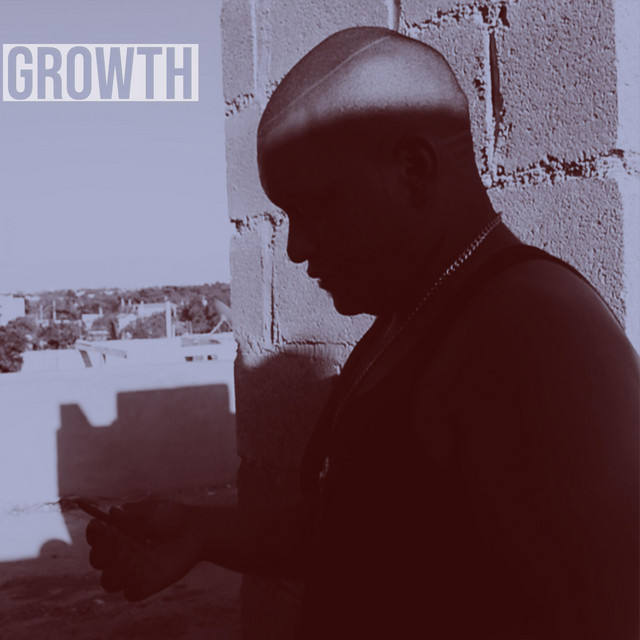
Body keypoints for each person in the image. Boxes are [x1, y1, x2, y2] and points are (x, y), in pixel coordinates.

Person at [86, 27, 639, 639]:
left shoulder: (535, 335)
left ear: (413, 170)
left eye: (313, 208)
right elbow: (355, 529)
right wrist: (199, 531)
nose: (295, 248)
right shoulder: (409, 317)